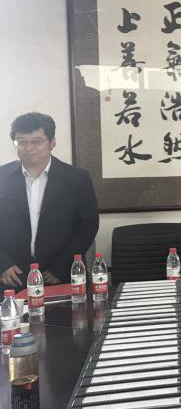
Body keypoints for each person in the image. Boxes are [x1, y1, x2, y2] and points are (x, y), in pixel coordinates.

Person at [0, 112, 99, 291]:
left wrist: (61, 266)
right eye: (21, 142)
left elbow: (88, 226)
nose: (28, 148)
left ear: (52, 142)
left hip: (60, 273)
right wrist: (3, 264)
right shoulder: (2, 177)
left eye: (36, 141)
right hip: (12, 275)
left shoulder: (77, 178)